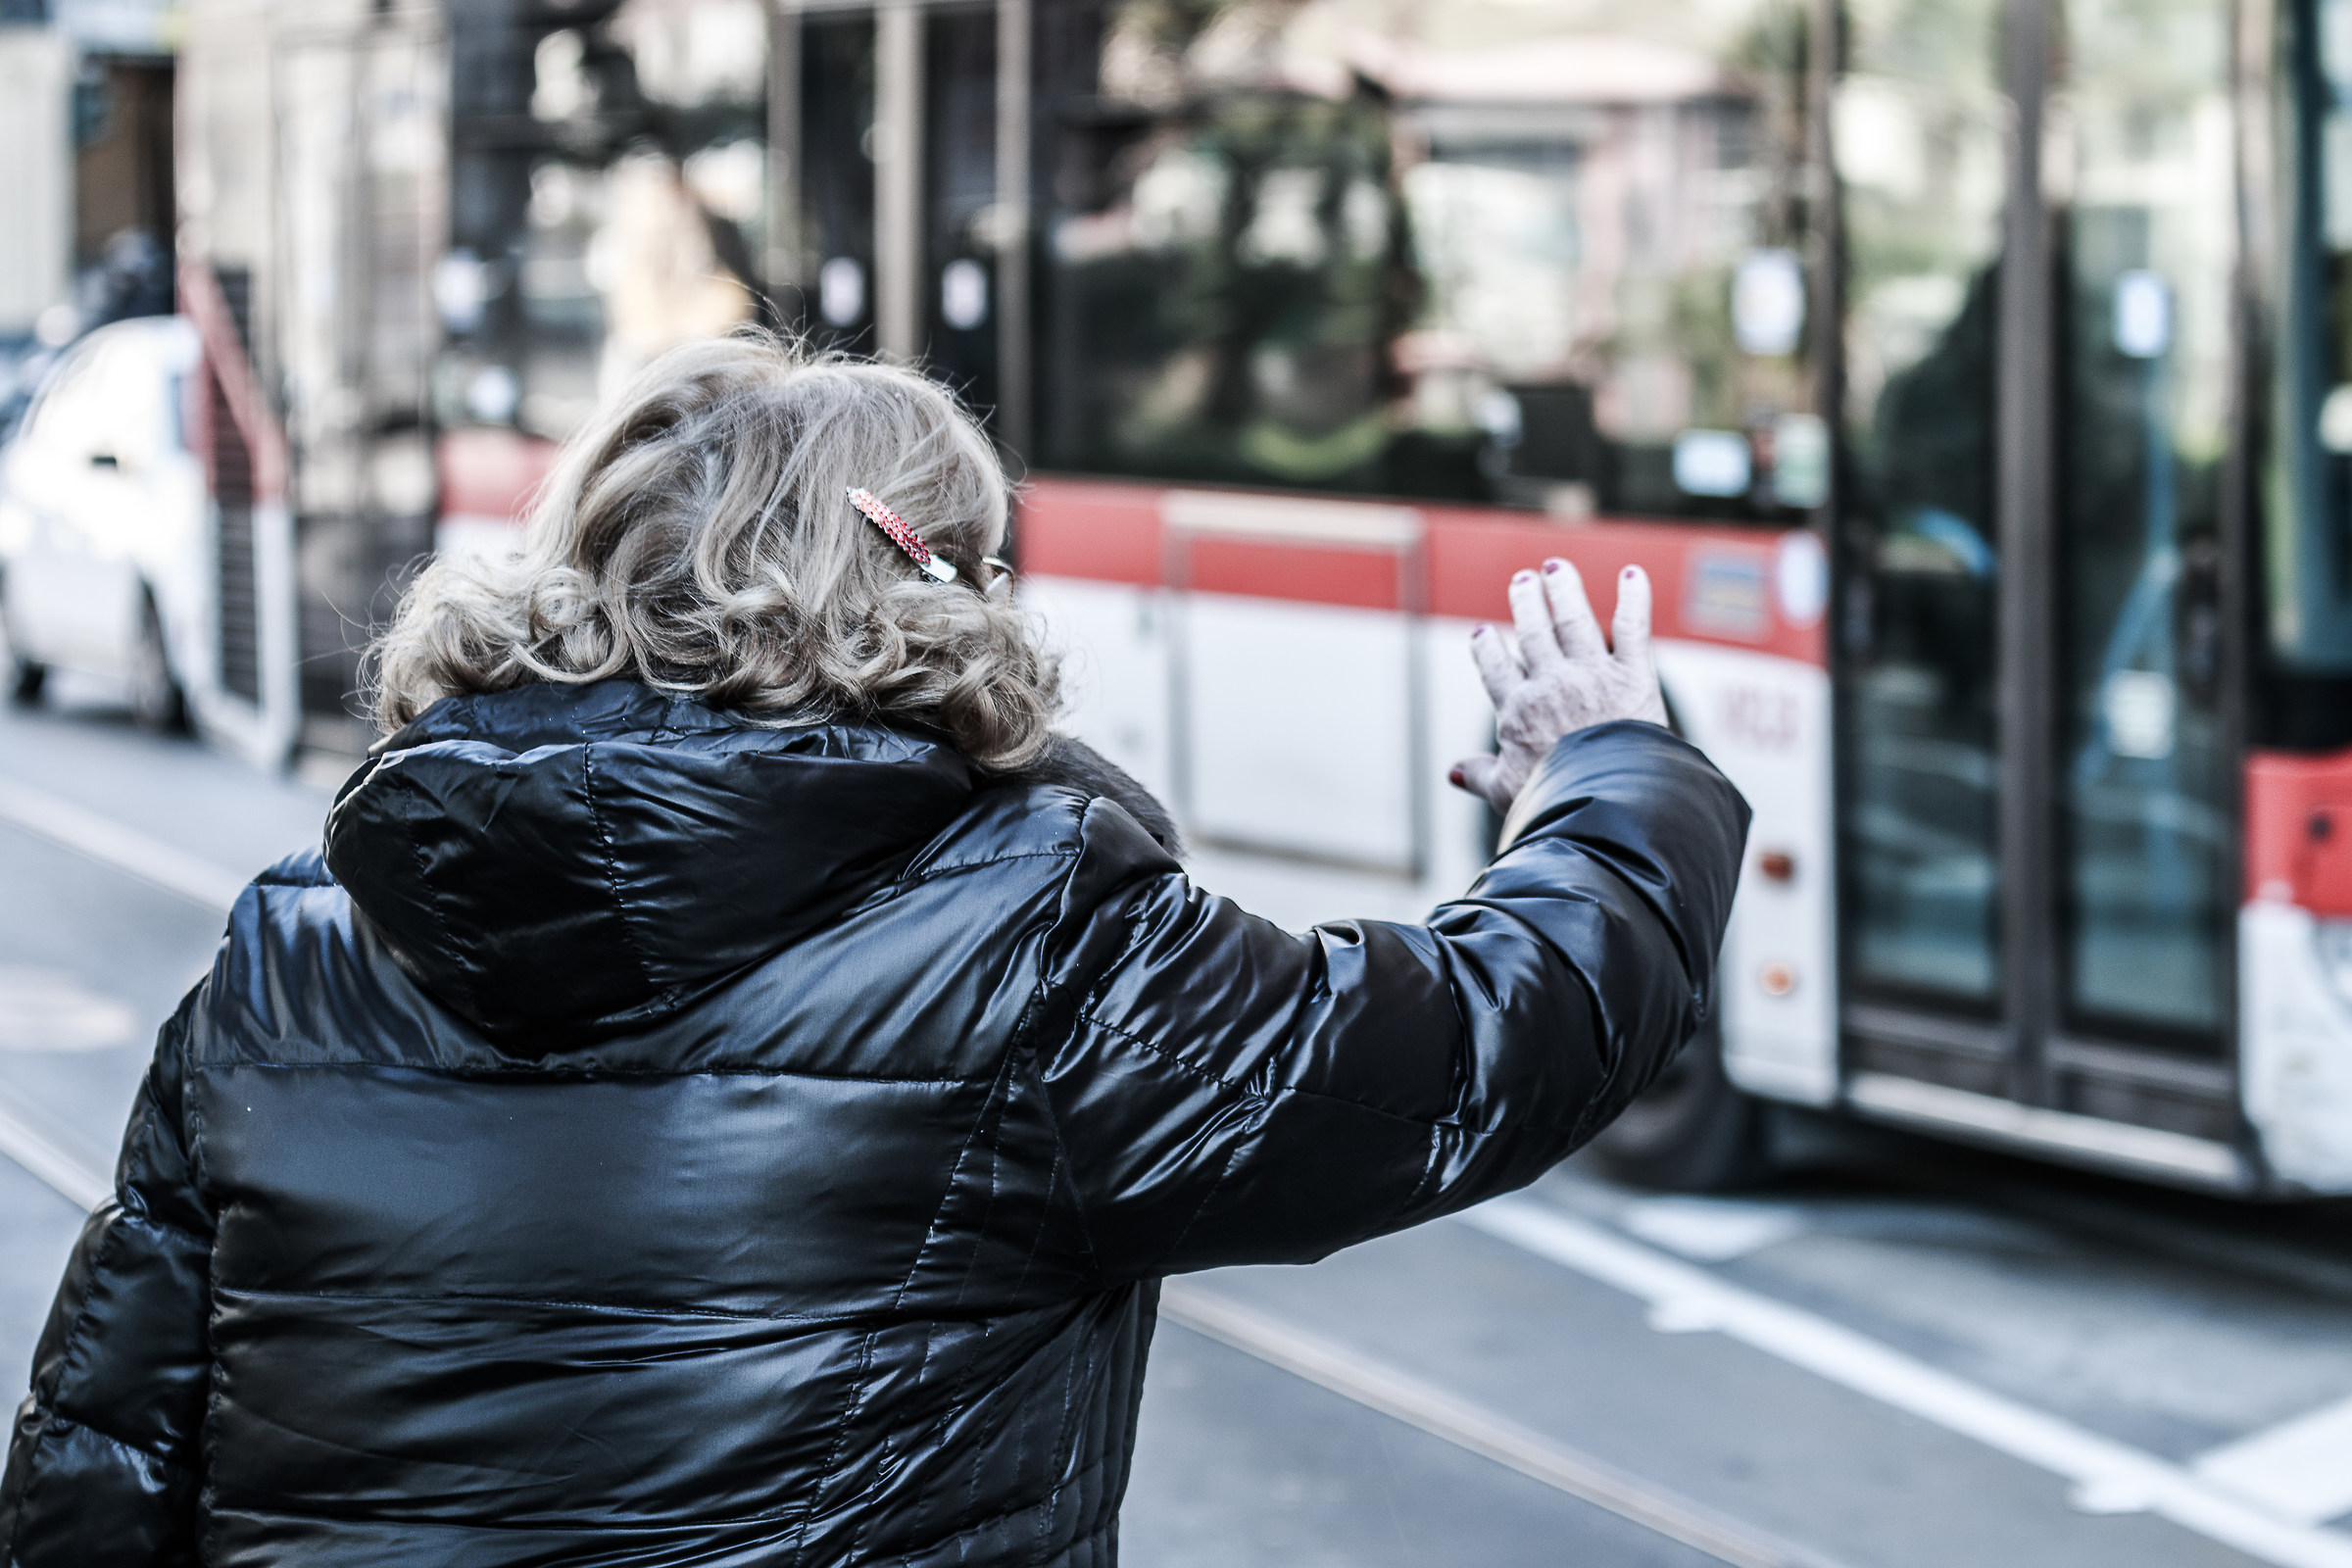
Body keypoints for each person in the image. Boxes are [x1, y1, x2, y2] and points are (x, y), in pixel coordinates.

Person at [0, 331, 1747, 1566]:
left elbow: (102, 1465)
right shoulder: (1030, 937)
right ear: (934, 592)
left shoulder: (284, 957)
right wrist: (1602, 770)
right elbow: (1481, 1048)